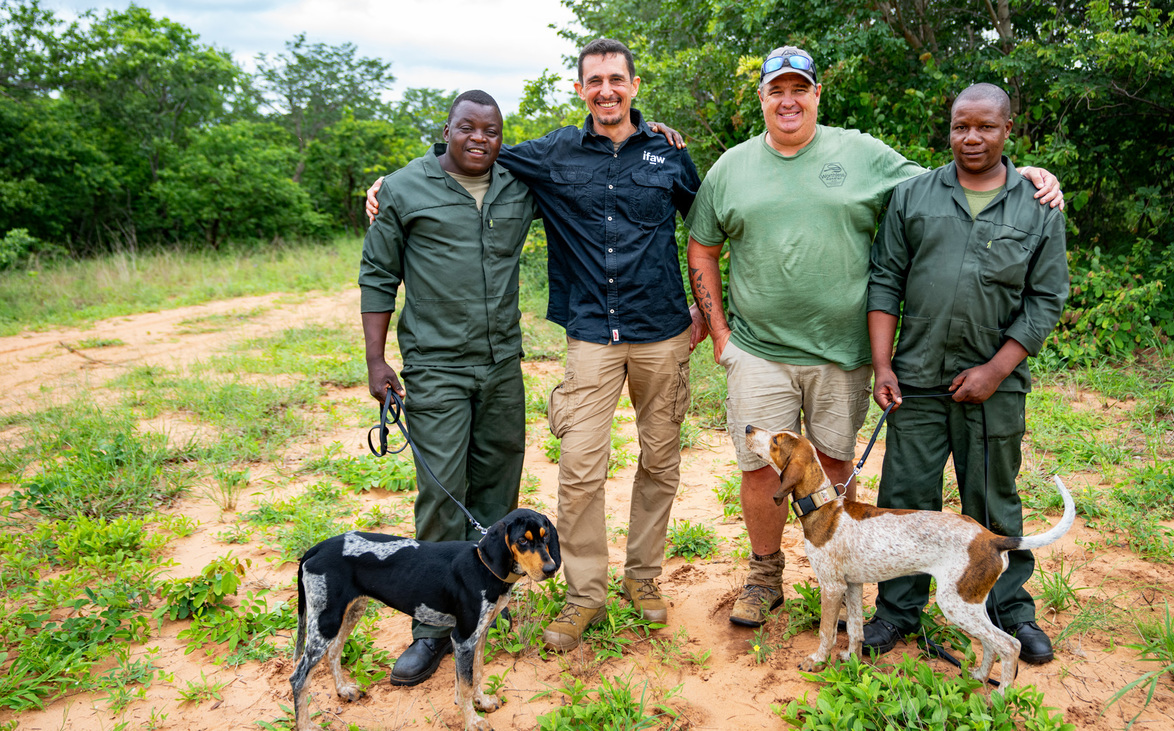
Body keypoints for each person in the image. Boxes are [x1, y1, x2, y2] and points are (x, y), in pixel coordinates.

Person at [685, 46, 1063, 628]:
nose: (788, 100)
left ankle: (865, 582)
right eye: (775, 90)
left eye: (799, 89)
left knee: (837, 468)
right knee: (762, 470)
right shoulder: (731, 166)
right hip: (759, 349)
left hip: (842, 352)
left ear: (816, 94)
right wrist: (720, 332)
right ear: (761, 97)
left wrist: (1029, 174)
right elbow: (703, 247)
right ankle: (769, 577)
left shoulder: (863, 154)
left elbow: (957, 178)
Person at [366, 39, 704, 652]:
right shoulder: (550, 153)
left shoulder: (668, 152)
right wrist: (394, 182)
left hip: (662, 333)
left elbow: (705, 227)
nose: (607, 89)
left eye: (617, 79)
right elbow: (469, 153)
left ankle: (644, 580)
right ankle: (582, 597)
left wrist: (705, 312)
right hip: (590, 336)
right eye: (594, 80)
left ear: (633, 84)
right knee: (578, 474)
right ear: (580, 89)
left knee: (660, 462)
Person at [864, 82, 1068, 663]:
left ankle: (1010, 613)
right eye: (960, 126)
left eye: (984, 127)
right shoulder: (913, 196)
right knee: (905, 504)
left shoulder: (1038, 205)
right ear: (949, 128)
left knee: (992, 504)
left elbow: (1045, 299)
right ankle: (897, 613)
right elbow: (885, 281)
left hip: (993, 390)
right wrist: (883, 364)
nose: (971, 138)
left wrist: (997, 370)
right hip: (918, 381)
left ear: (1008, 131)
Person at [359, 89, 539, 686]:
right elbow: (379, 273)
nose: (479, 140)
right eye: (468, 128)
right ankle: (432, 628)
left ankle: (490, 601)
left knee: (497, 482)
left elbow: (586, 157)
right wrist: (376, 361)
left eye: (491, 131)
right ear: (448, 129)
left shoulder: (519, 182)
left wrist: (648, 131)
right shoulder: (405, 189)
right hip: (435, 365)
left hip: (502, 363)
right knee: (442, 492)